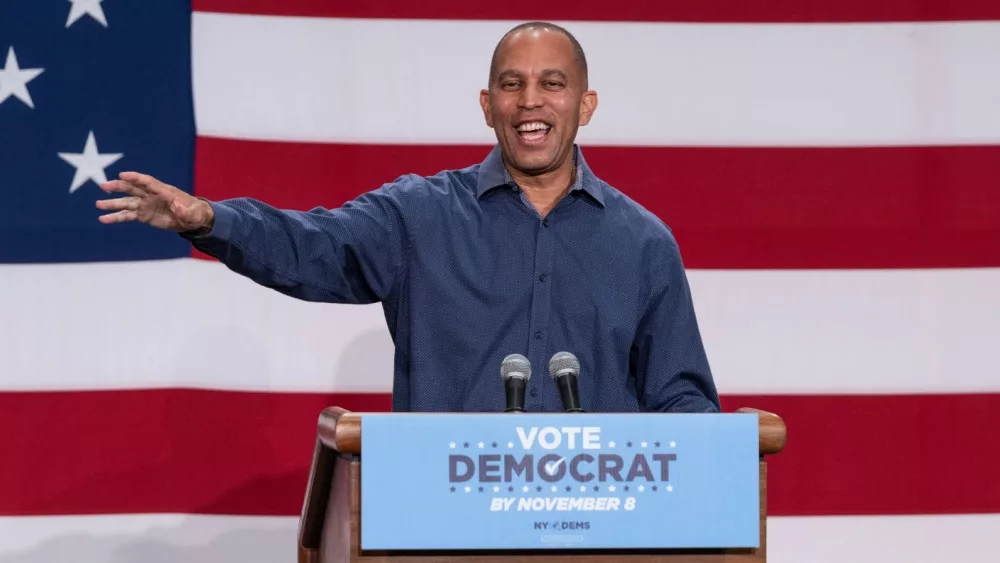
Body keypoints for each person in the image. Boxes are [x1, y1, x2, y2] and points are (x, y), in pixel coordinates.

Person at [95, 22, 721, 414]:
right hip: (446, 524)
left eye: (552, 84)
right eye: (512, 83)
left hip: (601, 529)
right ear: (487, 104)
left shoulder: (642, 243)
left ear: (585, 105)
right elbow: (314, 247)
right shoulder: (419, 216)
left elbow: (681, 397)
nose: (530, 99)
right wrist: (209, 218)